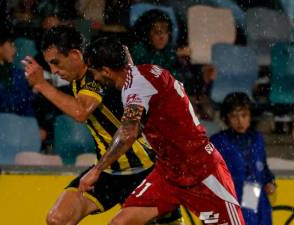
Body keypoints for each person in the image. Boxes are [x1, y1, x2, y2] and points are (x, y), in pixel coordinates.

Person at [22, 26, 182, 225]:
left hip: (144, 170)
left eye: (56, 63)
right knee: (57, 219)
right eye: (49, 65)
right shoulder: (78, 77)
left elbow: (81, 112)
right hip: (109, 172)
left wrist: (42, 85)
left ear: (74, 54)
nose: (53, 71)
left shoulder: (95, 75)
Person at [81, 37, 245, 225]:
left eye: (94, 73)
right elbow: (125, 51)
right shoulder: (141, 74)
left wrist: (97, 170)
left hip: (201, 172)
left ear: (107, 71)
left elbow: (128, 133)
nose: (94, 78)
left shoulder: (135, 86)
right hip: (168, 173)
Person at [210, 92, 276, 225]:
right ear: (226, 118)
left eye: (244, 115)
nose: (240, 121)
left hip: (255, 198)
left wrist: (270, 182)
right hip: (229, 201)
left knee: (251, 219)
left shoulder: (257, 139)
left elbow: (263, 167)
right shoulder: (218, 142)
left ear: (251, 116)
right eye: (234, 116)